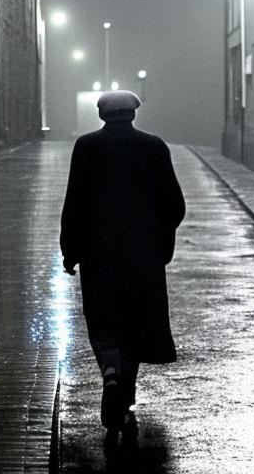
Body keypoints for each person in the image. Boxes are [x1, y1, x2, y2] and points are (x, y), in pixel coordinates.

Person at [60, 90, 185, 440]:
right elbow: (174, 205)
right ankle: (124, 397)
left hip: (100, 258)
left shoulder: (86, 147)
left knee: (104, 321)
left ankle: (111, 370)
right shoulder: (154, 147)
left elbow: (75, 204)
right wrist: (160, 243)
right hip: (143, 258)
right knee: (136, 324)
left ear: (102, 116)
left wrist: (71, 250)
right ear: (132, 115)